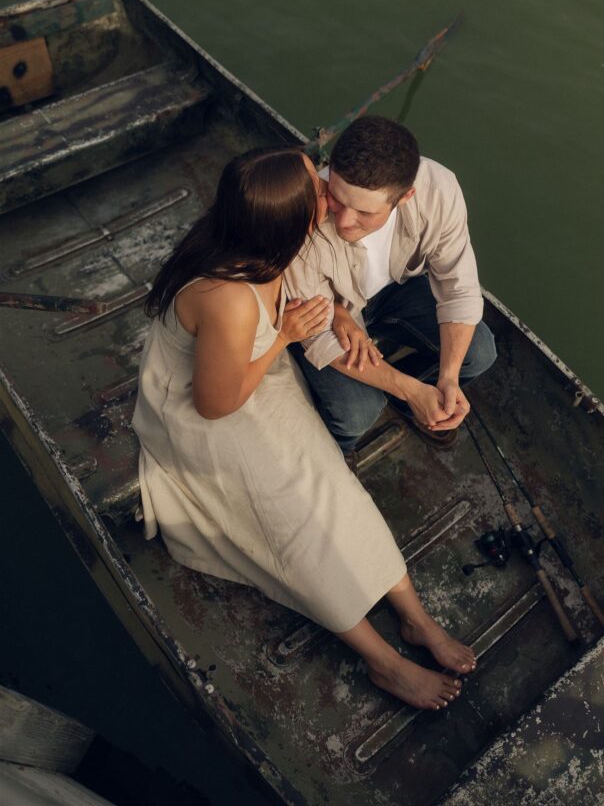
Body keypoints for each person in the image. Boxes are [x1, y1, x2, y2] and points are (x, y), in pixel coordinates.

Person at [133, 146, 475, 710]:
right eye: (317, 190)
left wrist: (337, 312)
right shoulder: (229, 300)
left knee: (337, 488)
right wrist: (288, 337)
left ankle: (414, 618)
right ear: (291, 220)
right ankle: (382, 660)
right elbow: (215, 405)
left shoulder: (268, 239)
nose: (327, 187)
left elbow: (305, 289)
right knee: (296, 524)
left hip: (255, 373)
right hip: (211, 411)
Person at [285, 117, 497, 454]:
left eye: (364, 213)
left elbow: (459, 289)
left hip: (393, 293)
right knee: (357, 414)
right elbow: (317, 334)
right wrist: (410, 390)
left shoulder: (439, 189)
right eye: (337, 199)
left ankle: (416, 393)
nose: (343, 221)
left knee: (479, 352)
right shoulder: (302, 212)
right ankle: (336, 451)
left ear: (405, 196)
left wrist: (447, 379)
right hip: (323, 313)